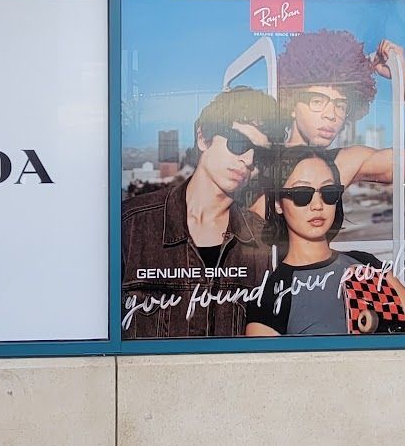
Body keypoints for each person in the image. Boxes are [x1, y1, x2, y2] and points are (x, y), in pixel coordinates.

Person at [121, 87, 284, 339]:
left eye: (261, 155)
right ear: (203, 137)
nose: (249, 160)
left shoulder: (264, 242)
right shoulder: (133, 225)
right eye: (239, 143)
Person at [246, 147, 405, 336]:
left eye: (329, 192)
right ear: (278, 204)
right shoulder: (270, 296)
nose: (318, 205)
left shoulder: (365, 266)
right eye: (301, 194)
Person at [274, 29, 405, 190]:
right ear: (291, 104)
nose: (331, 115)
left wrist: (402, 72)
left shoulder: (344, 164)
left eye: (340, 106)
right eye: (317, 101)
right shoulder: (261, 163)